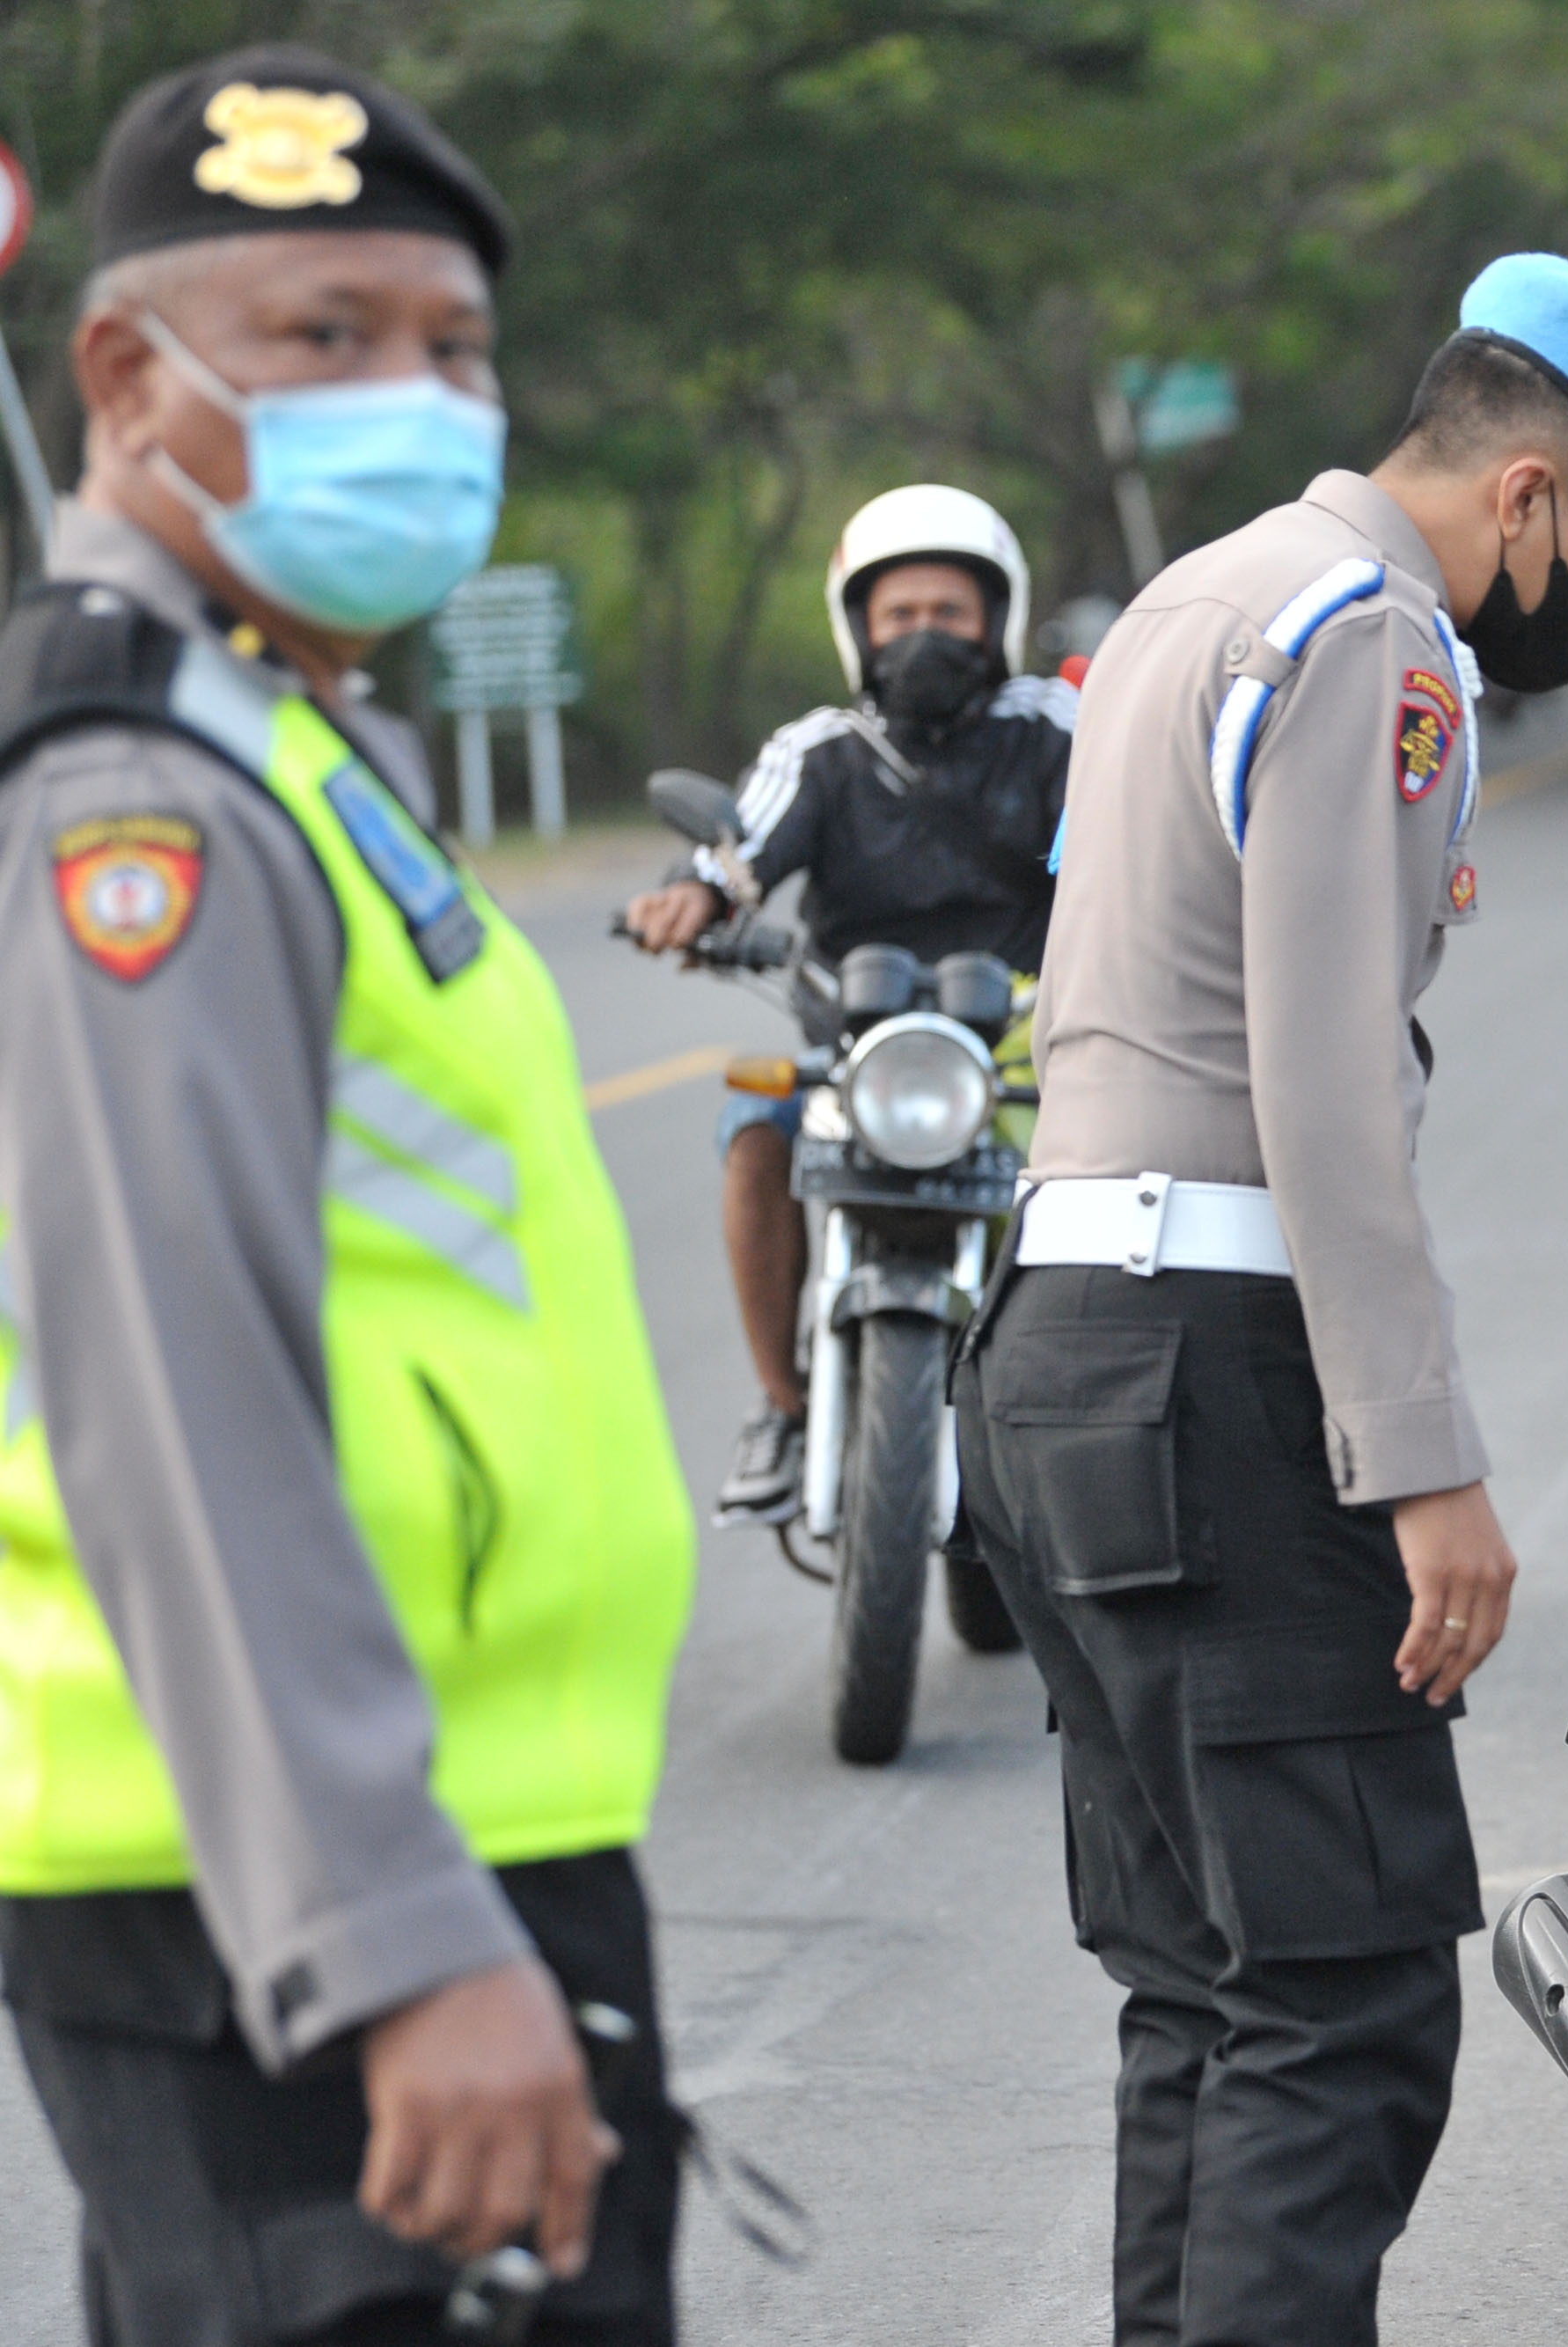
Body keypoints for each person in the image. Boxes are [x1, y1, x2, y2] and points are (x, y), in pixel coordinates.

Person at [954, 251, 1568, 2343]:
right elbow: (1318, 1082)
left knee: (1209, 2002)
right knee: (1344, 2014)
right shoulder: (1370, 637)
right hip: (1216, 1376)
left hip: (1058, 1357)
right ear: (1521, 494)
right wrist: (1421, 1458)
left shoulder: (1189, 605)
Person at [0, 47, 694, 2338]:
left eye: (454, 345)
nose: (418, 396)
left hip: (376, 1842)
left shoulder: (282, 743)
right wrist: (389, 1933)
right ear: (127, 373)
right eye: (327, 336)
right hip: (294, 1897)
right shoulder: (145, 795)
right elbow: (171, 1387)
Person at [619, 484, 1075, 1516]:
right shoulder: (821, 749)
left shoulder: (1058, 730)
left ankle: (1108, 1414)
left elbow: (1143, 821)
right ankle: (782, 1410)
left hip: (1027, 1049)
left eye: (949, 615)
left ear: (994, 620)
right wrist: (693, 895)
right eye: (901, 616)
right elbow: (739, 847)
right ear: (858, 627)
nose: (925, 636)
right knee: (754, 1124)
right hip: (859, 1052)